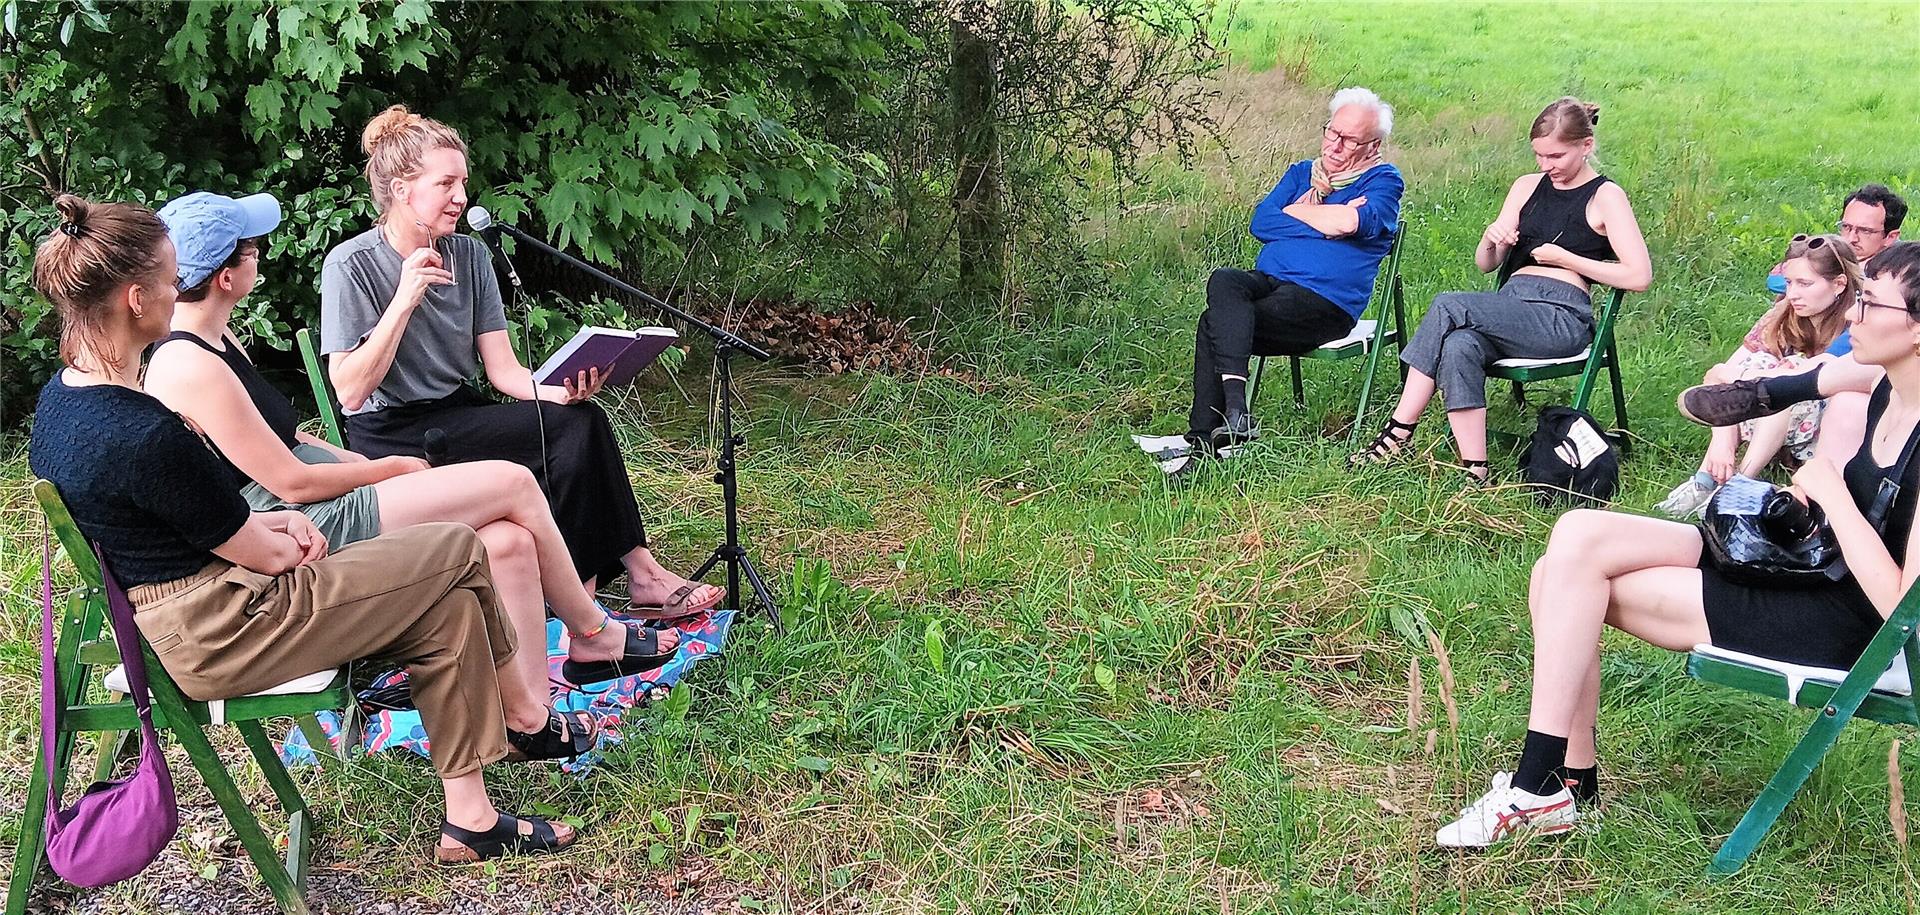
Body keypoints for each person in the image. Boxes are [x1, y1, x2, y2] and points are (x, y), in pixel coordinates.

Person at [27, 195, 581, 863]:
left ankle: (470, 819)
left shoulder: (65, 400)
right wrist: (296, 532)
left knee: (449, 598)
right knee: (460, 548)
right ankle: (527, 715)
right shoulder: (143, 432)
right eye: (174, 280)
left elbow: (219, 522)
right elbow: (259, 548)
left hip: (193, 607)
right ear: (137, 298)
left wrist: (279, 524)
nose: (182, 292)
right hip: (225, 627)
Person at [1435, 242, 1920, 848]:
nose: (1851, 315)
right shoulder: (1885, 380)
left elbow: (1902, 604)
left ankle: (1545, 786)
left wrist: (1835, 497)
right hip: (1811, 566)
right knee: (1576, 536)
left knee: (1566, 583)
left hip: (1854, 625)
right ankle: (1564, 787)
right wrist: (1741, 407)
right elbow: (1807, 377)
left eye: (1870, 303)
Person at [144, 192, 678, 727]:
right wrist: (387, 469)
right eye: (252, 249)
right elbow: (292, 480)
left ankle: (532, 718)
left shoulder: (218, 337)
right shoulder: (187, 363)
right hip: (300, 523)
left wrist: (353, 463)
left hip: (327, 489)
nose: (262, 254)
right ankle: (592, 632)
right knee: (514, 483)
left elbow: (290, 439)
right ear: (225, 277)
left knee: (509, 540)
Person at [319, 104, 721, 619]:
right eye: (446, 184)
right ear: (402, 189)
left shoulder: (469, 255)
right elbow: (350, 391)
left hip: (457, 411)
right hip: (389, 431)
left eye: (463, 182)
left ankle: (626, 579)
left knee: (578, 419)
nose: (461, 197)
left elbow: (503, 371)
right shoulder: (351, 265)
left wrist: (556, 391)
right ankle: (588, 600)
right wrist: (403, 299)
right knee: (568, 434)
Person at [1352, 97, 1652, 484]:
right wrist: (1493, 240)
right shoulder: (1527, 187)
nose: (1547, 166)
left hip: (1559, 315)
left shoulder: (1605, 196)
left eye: (1556, 156)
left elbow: (1639, 276)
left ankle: (1398, 432)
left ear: (1586, 146)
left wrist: (1566, 259)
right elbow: (1486, 263)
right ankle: (1476, 469)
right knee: (1460, 343)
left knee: (1448, 305)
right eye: (1540, 156)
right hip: (1510, 306)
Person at [1169, 87, 1404, 477]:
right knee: (1225, 280)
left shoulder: (1383, 182)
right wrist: (1326, 222)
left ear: (1372, 146)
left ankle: (1211, 435)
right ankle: (1234, 413)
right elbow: (1262, 224)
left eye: (1350, 140)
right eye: (1332, 132)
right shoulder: (1301, 174)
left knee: (1215, 323)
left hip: (1324, 303)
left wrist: (1297, 214)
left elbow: (1352, 223)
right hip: (1270, 281)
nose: (1336, 145)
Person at [1683, 185, 1909, 461]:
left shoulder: (1895, 276)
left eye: (1864, 231)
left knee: (1790, 376)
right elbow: (1776, 277)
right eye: (1846, 227)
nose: (1852, 237)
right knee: (1755, 364)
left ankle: (1759, 404)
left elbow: (1836, 354)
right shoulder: (1824, 261)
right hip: (1804, 359)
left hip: (1838, 380)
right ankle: (1720, 460)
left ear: (1891, 237)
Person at [1655, 234, 1861, 517]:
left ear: (1839, 284)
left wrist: (1760, 375)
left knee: (1785, 382)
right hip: (1775, 421)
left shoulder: (1857, 321)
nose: (1792, 294)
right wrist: (1722, 441)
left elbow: (1810, 375)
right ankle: (1705, 481)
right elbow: (1719, 375)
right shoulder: (1784, 313)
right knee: (1763, 365)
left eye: (1805, 284)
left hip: (1829, 429)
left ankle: (1737, 483)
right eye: (1789, 283)